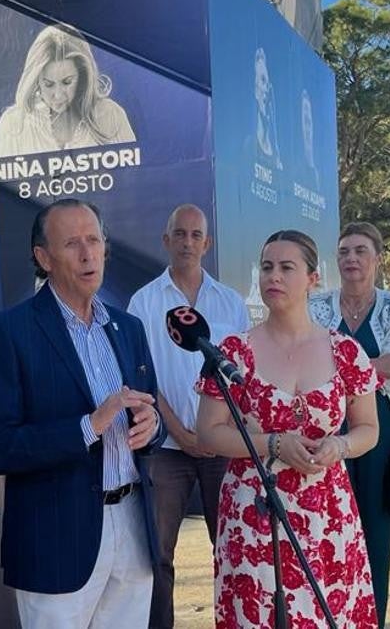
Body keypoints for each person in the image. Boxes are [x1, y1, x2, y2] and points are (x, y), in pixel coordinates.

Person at [0, 198, 165, 628]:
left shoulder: (128, 327)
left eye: (94, 240)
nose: (88, 254)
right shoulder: (8, 332)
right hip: (56, 539)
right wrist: (89, 426)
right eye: (72, 243)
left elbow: (152, 414)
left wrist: (153, 428)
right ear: (43, 257)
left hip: (133, 525)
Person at [196, 230, 383, 628]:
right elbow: (209, 433)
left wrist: (340, 444)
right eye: (266, 268)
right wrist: (273, 443)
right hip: (254, 511)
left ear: (313, 278)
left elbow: (369, 429)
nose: (273, 277)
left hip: (327, 516)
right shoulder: (233, 351)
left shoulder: (346, 351)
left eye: (286, 267)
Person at [127, 204, 251, 629]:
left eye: (195, 235)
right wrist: (180, 431)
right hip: (166, 447)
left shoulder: (231, 303)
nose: (187, 242)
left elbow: (242, 376)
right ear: (166, 240)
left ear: (207, 243)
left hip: (221, 447)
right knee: (157, 554)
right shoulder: (143, 302)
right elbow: (142, 375)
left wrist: (216, 432)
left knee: (232, 550)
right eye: (179, 234)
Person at [307, 222, 390, 624]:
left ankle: (373, 618)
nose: (351, 258)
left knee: (376, 528)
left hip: (381, 426)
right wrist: (370, 367)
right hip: (325, 427)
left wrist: (339, 368)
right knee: (326, 526)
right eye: (344, 252)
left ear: (377, 258)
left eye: (360, 251)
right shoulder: (317, 306)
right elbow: (311, 364)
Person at [0, 23, 136, 158]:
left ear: (82, 76)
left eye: (67, 82)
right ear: (36, 80)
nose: (58, 95)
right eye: (48, 84)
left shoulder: (110, 115)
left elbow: (135, 179)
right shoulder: (15, 123)